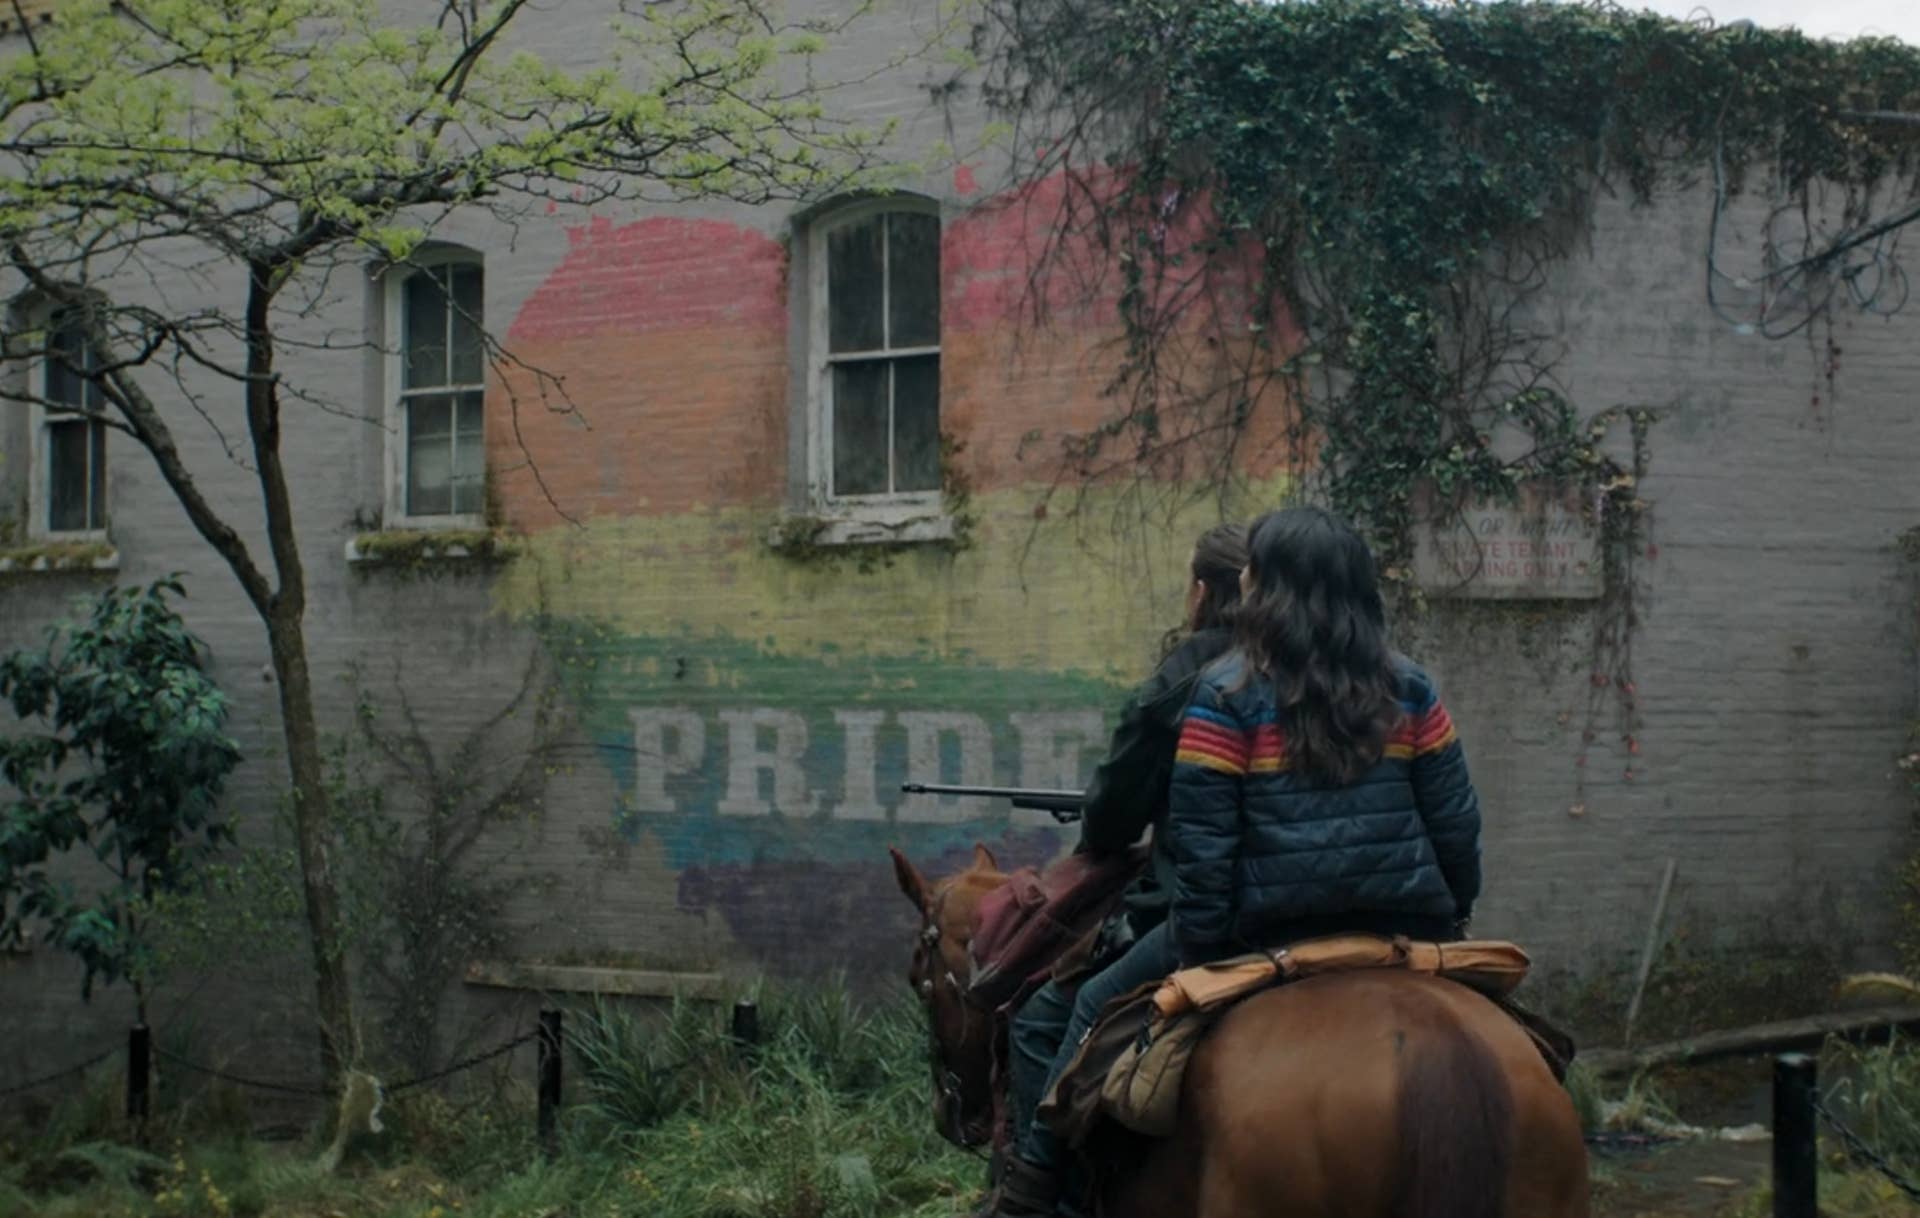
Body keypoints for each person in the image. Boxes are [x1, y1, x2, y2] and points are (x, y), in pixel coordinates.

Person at [989, 506, 1483, 1218]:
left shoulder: (1226, 696)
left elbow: (1207, 852)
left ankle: (1032, 1195)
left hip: (1262, 931)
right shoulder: (1413, 689)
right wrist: (1453, 913)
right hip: (1406, 924)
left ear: (1270, 589)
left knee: (1087, 1009)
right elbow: (1456, 825)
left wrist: (1201, 945)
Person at [1000, 522, 1247, 1206]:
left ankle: (1042, 1193)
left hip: (1204, 909)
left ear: (1200, 592)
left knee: (1052, 1017)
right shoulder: (1303, 663)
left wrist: (1106, 825)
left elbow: (1113, 816)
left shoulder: (1182, 682)